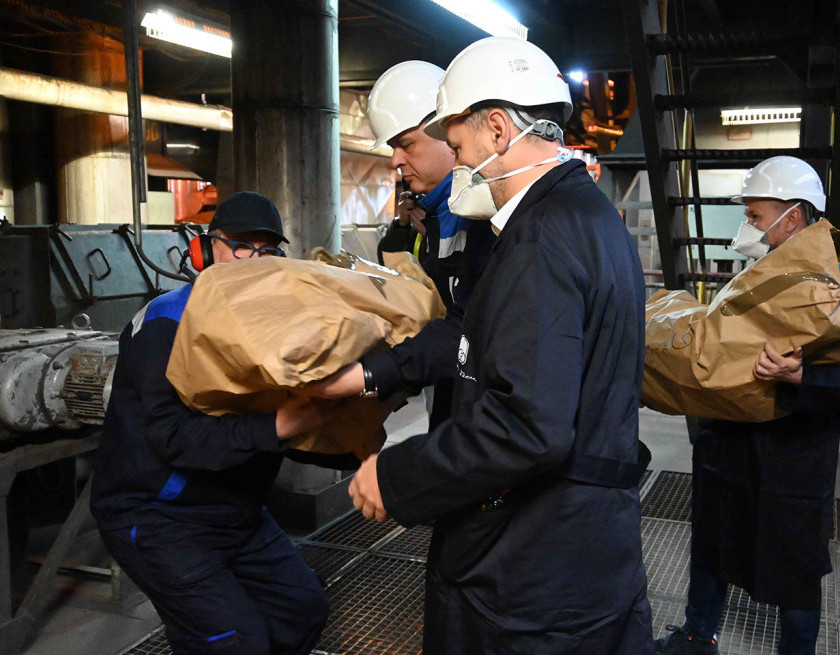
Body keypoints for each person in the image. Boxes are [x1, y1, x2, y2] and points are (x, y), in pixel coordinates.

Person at [315, 37, 654, 653]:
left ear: (498, 129)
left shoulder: (541, 240)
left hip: (534, 568)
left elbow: (528, 425)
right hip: (583, 549)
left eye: (460, 142)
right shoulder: (590, 217)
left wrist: (397, 476)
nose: (457, 157)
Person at [91, 192, 343, 654]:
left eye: (268, 250)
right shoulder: (167, 324)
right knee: (232, 641)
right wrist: (279, 426)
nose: (256, 260)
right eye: (242, 246)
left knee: (303, 609)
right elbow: (174, 438)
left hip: (234, 509)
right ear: (205, 251)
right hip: (158, 516)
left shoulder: (269, 328)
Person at [654, 157, 840, 655]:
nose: (748, 224)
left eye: (755, 214)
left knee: (794, 565)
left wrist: (802, 376)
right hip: (727, 441)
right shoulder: (763, 268)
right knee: (710, 544)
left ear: (791, 216)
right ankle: (696, 635)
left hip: (791, 459)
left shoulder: (836, 279)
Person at [360, 59, 496, 431]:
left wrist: (373, 374)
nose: (394, 161)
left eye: (405, 145)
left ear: (445, 130)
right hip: (458, 398)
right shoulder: (437, 211)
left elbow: (468, 328)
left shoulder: (487, 216)